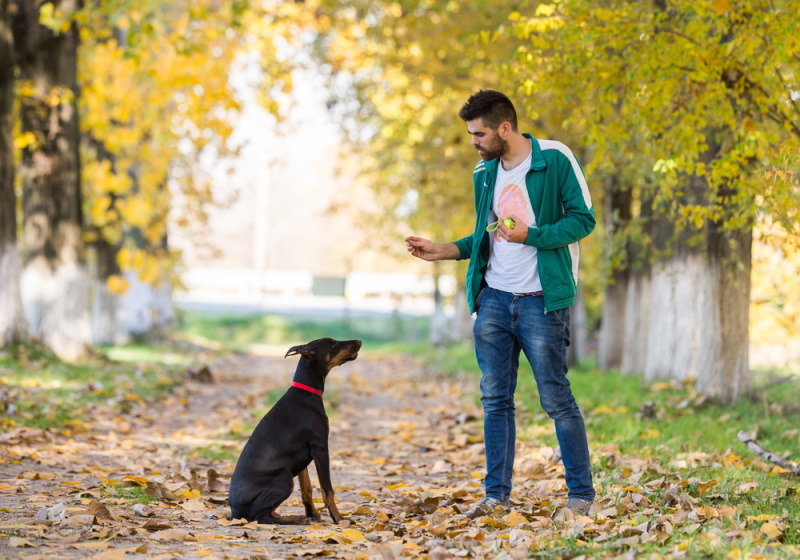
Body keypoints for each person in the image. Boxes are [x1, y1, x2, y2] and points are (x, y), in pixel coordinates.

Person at [405, 90, 596, 518]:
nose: (473, 141)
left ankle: (581, 498)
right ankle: (496, 497)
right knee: (494, 399)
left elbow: (584, 220)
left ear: (504, 128)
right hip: (493, 300)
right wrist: (445, 249)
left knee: (556, 399)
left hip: (542, 302)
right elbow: (486, 235)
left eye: (479, 133)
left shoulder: (554, 159)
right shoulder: (484, 171)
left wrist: (533, 235)